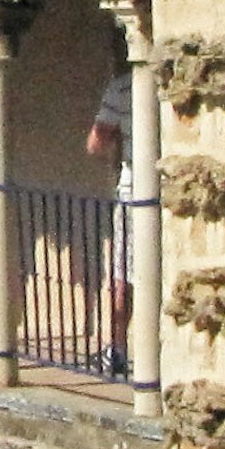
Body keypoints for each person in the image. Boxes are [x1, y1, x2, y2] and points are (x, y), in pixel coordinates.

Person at [89, 67, 136, 379]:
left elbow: (96, 144)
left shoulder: (121, 88)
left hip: (134, 191)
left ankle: (117, 348)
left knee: (123, 275)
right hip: (164, 188)